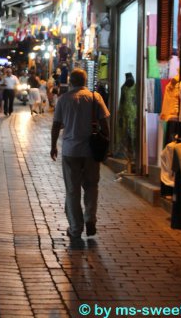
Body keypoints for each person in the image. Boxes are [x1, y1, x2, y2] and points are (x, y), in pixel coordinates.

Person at [50, 68, 110, 249]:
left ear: (70, 81)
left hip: (70, 151)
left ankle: (76, 228)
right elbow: (105, 124)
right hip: (91, 151)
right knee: (91, 186)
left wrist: (53, 146)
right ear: (85, 81)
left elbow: (56, 125)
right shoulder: (95, 97)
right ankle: (90, 218)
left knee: (72, 190)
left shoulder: (63, 99)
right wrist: (106, 144)